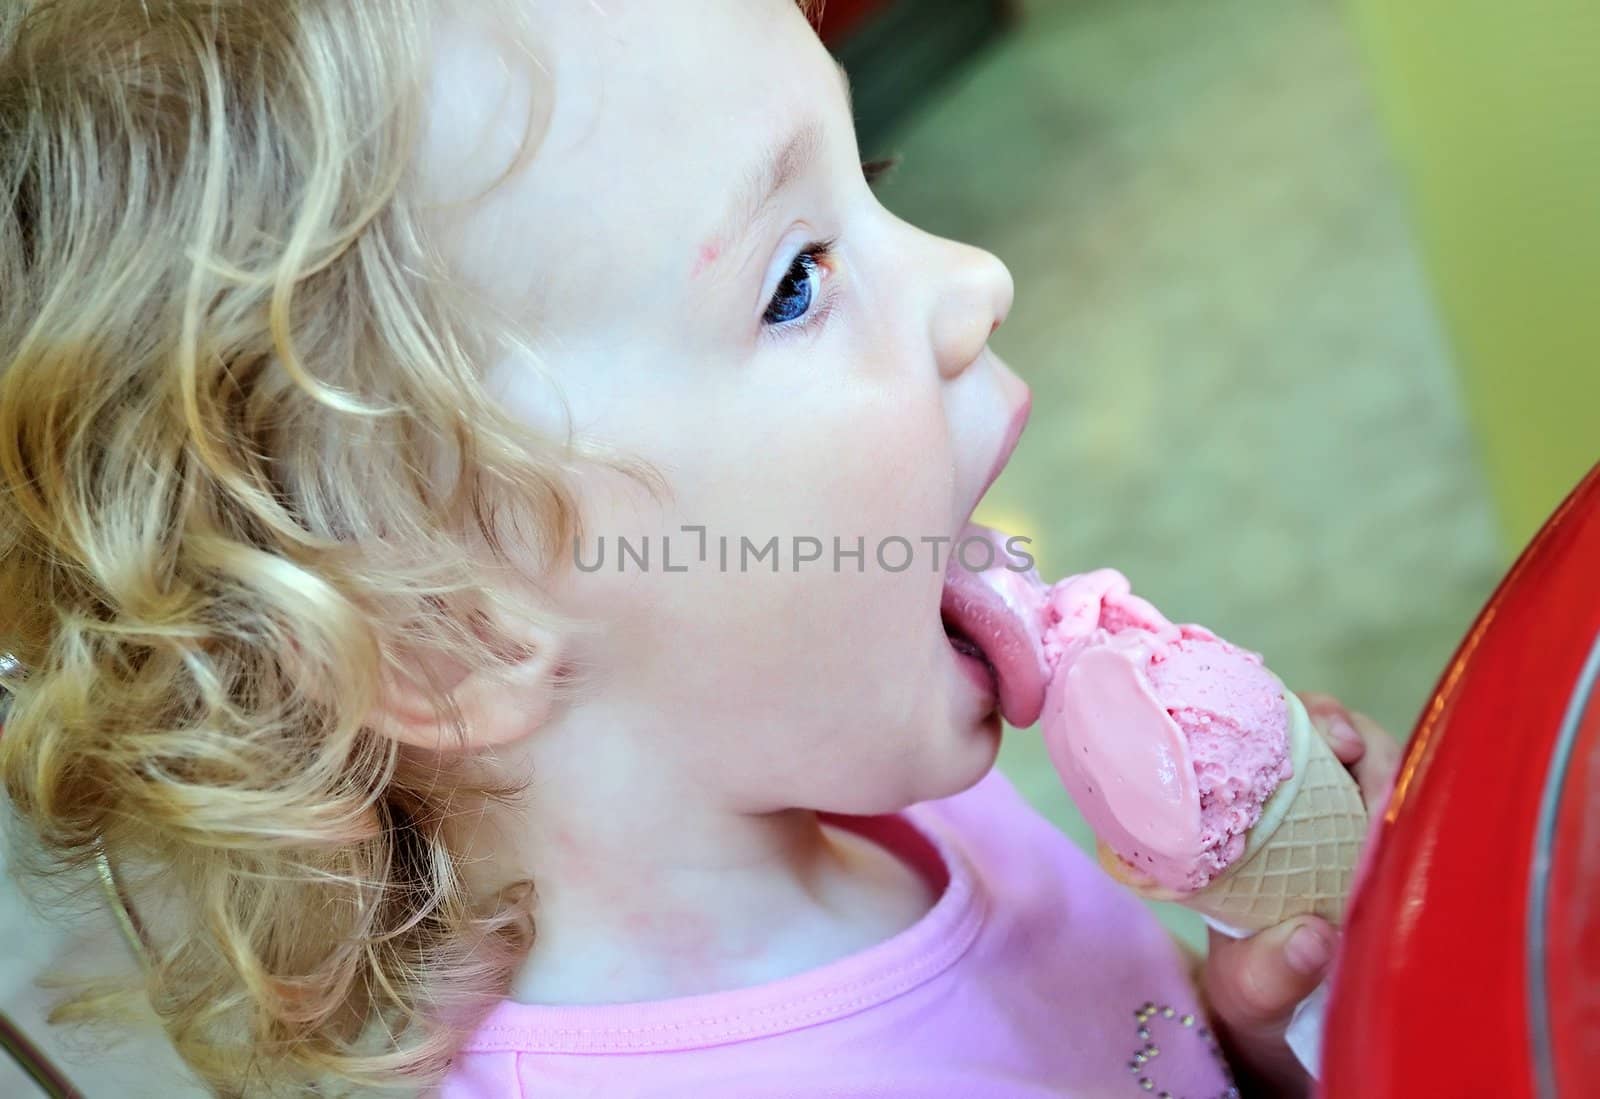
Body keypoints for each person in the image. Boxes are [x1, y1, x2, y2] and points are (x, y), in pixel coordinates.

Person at [0, 1, 1401, 1094]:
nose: (977, 279)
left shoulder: (890, 807)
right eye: (797, 279)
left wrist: (1269, 1047)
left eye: (878, 177)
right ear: (450, 631)